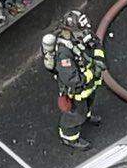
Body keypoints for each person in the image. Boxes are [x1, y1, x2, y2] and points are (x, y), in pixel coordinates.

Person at [41, 10, 106, 147]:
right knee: (75, 115)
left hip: (89, 86)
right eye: (81, 32)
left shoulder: (81, 35)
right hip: (77, 91)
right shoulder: (63, 53)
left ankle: (87, 116)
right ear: (69, 30)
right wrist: (94, 72)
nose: (85, 34)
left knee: (88, 103)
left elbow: (97, 44)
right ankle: (69, 138)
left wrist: (99, 60)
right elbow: (72, 79)